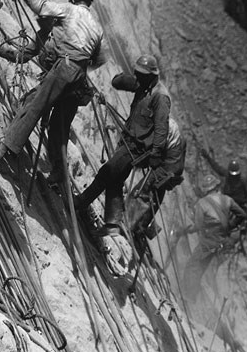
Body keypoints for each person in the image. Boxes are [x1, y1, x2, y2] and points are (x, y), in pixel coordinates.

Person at [0, 0, 107, 184]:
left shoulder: (67, 11)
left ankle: (5, 148)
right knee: (58, 127)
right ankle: (59, 173)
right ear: (88, 2)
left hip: (64, 70)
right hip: (78, 80)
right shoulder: (96, 28)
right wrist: (80, 65)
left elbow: (40, 6)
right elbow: (100, 59)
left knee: (34, 105)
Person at [74, 54, 173, 236]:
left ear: (152, 75)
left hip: (138, 148)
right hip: (128, 141)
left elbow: (161, 129)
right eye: (138, 74)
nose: (139, 77)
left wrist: (156, 155)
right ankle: (112, 224)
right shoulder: (142, 86)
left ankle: (80, 202)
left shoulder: (160, 96)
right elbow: (116, 82)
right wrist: (133, 80)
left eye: (142, 75)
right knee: (116, 179)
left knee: (107, 172)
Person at [179, 174, 247, 301]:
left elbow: (198, 226)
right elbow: (242, 214)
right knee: (202, 267)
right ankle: (193, 297)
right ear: (217, 186)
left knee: (192, 266)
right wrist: (230, 226)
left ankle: (188, 296)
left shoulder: (202, 203)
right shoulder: (227, 200)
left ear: (206, 189)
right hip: (222, 241)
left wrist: (185, 231)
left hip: (209, 240)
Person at [200, 150, 247, 223]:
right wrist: (207, 157)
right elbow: (216, 167)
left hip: (240, 205)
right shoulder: (227, 175)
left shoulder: (243, 181)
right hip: (227, 203)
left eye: (235, 175)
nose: (234, 177)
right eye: (232, 175)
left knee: (238, 219)